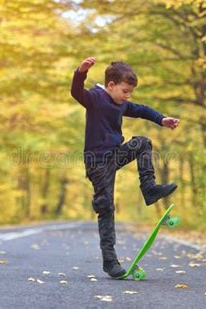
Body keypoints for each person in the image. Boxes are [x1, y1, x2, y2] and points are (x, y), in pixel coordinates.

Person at [70, 57, 180, 278]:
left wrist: (161, 120)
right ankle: (110, 262)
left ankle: (149, 189)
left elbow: (142, 109)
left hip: (113, 155)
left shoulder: (120, 103)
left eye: (130, 92)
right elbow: (76, 92)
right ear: (111, 85)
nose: (127, 96)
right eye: (125, 91)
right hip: (97, 162)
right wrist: (80, 72)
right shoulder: (95, 98)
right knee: (106, 208)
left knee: (143, 142)